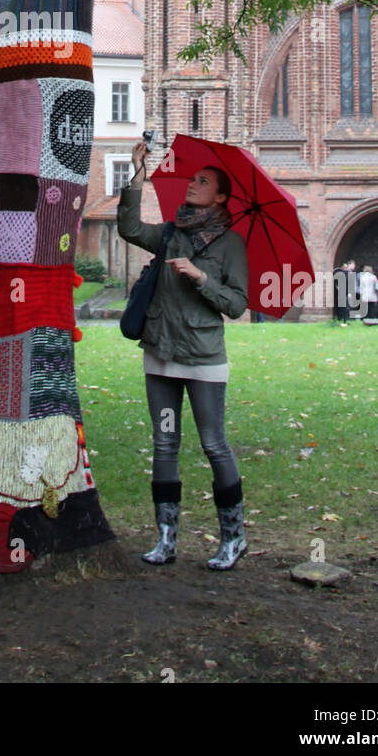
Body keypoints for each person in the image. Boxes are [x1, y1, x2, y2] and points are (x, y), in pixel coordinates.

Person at [117, 139, 249, 571]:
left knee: (213, 443)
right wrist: (136, 174)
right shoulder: (171, 234)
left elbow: (236, 304)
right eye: (193, 179)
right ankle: (166, 538)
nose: (193, 185)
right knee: (165, 442)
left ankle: (234, 537)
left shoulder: (231, 245)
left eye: (203, 182)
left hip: (204, 362)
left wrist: (199, 278)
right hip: (161, 357)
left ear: (221, 196)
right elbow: (131, 229)